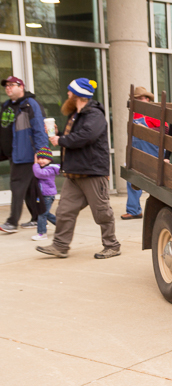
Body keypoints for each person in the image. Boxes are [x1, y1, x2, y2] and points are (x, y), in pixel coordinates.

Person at [36, 78, 121, 259]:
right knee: (64, 211)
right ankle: (60, 246)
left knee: (102, 212)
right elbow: (74, 138)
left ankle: (112, 245)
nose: (67, 94)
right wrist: (57, 134)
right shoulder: (75, 114)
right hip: (74, 172)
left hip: (92, 172)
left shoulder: (94, 115)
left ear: (78, 94)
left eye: (70, 91)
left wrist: (61, 140)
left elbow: (86, 136)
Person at [0, 76, 49, 233]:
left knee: (17, 186)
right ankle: (39, 218)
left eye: (12, 85)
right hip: (12, 154)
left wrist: (42, 151)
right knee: (29, 189)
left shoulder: (30, 104)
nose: (8, 88)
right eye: (6, 86)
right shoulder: (6, 106)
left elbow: (39, 129)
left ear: (21, 87)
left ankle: (12, 222)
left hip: (26, 154)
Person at [122, 86, 162, 220]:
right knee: (132, 179)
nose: (138, 101)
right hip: (136, 152)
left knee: (155, 183)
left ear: (147, 99)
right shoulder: (133, 114)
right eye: (135, 99)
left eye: (140, 98)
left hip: (151, 152)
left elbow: (165, 130)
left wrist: (147, 131)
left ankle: (158, 209)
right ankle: (133, 210)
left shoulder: (153, 113)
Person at [31, 147, 59, 241]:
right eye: (39, 158)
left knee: (42, 214)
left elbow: (39, 174)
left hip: (47, 195)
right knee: (45, 213)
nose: (41, 161)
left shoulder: (51, 169)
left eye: (43, 158)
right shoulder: (43, 167)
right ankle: (62, 226)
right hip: (43, 195)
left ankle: (42, 233)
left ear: (49, 159)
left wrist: (35, 163)